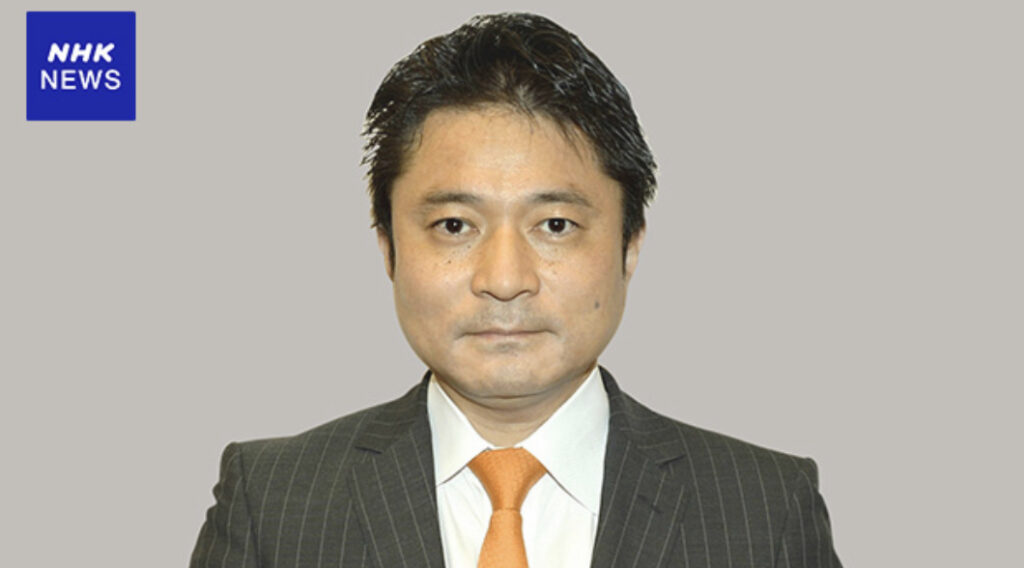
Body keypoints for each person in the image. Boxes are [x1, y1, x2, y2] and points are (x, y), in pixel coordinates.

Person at [190, 12, 842, 568]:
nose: (504, 280)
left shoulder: (764, 509)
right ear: (388, 246)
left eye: (555, 225)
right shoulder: (273, 503)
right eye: (454, 225)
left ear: (630, 245)